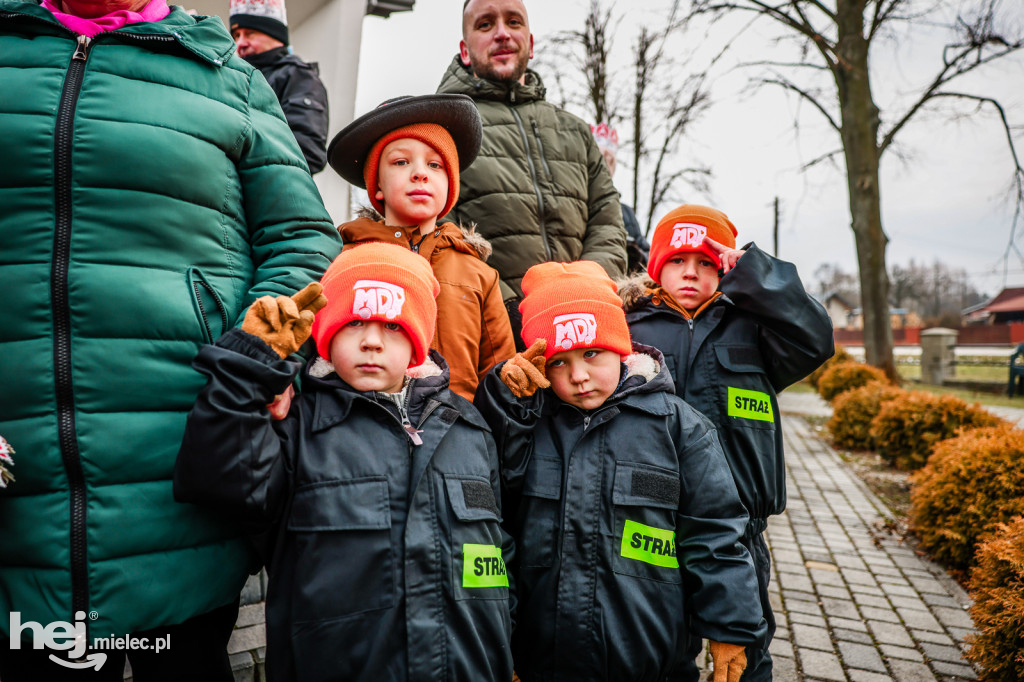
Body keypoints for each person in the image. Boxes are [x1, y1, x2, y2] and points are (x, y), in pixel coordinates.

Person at [0, 0, 342, 677]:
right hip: (19, 492)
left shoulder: (227, 75)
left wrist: (255, 362)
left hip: (184, 470)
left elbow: (301, 240)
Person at [174, 243, 515, 682]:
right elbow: (222, 481)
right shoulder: (297, 425)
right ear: (327, 333)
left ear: (418, 340)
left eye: (392, 325)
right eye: (354, 322)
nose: (371, 340)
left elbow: (497, 551)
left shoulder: (468, 427)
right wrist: (248, 375)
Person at [474, 260, 766, 682]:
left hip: (652, 658)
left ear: (622, 347)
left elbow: (715, 530)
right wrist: (505, 402)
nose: (578, 376)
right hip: (541, 658)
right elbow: (493, 509)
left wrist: (731, 627)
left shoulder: (678, 427)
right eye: (558, 362)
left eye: (592, 353)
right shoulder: (528, 425)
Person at [622, 204, 835, 680]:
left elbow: (816, 338)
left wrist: (755, 274)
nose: (691, 273)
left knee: (745, 653)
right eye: (678, 261)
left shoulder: (753, 326)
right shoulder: (629, 328)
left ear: (724, 268)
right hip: (653, 520)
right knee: (660, 652)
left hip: (738, 530)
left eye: (705, 262)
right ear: (656, 267)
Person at [437, 0, 628, 349]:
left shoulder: (575, 131)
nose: (502, 33)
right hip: (495, 340)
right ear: (465, 50)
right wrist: (510, 308)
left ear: (531, 42)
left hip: (585, 332)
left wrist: (587, 290)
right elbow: (441, 231)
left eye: (513, 22)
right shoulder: (445, 129)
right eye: (485, 24)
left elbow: (608, 221)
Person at [327, 93, 516, 400]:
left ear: (450, 185)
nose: (420, 173)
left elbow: (501, 377)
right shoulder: (344, 261)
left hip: (458, 423)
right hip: (364, 420)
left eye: (435, 164)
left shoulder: (479, 273)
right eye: (401, 162)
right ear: (377, 184)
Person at [230, 0, 329, 174]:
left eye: (250, 33)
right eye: (237, 35)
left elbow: (307, 152)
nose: (240, 43)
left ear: (275, 35)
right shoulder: (235, 76)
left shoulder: (299, 76)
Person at [591, 122, 650, 274]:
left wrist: (638, 257)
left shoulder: (626, 213)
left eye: (609, 161)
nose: (605, 167)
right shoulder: (578, 206)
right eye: (601, 160)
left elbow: (649, 257)